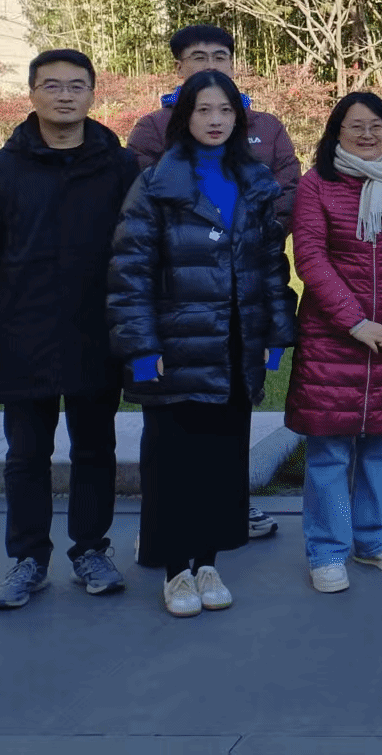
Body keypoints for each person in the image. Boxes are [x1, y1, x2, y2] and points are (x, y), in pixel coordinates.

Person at [108, 70, 297, 617]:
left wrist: (275, 333)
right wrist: (142, 348)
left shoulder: (255, 182)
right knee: (175, 464)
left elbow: (270, 265)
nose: (215, 120)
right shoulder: (156, 184)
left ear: (239, 118)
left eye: (225, 111)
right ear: (184, 117)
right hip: (177, 347)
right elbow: (129, 273)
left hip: (235, 345)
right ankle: (175, 570)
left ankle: (208, 561)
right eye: (203, 110)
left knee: (222, 461)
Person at [0, 49, 139, 610]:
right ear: (32, 93)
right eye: (52, 85)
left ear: (92, 94)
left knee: (95, 448)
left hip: (96, 330)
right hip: (23, 330)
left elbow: (139, 252)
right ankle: (28, 558)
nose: (65, 95)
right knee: (26, 454)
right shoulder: (1, 169)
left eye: (76, 86)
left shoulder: (121, 166)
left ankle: (91, 550)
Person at [286, 93, 382, 593]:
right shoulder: (317, 184)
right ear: (337, 132)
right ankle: (327, 551)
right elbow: (310, 257)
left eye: (377, 125)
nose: (368, 134)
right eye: (356, 126)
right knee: (330, 453)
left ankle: (374, 538)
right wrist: (354, 322)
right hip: (334, 339)